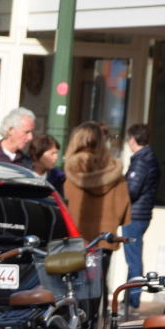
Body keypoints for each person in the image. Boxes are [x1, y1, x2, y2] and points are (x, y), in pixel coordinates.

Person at [63, 121, 131, 310]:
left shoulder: (69, 172)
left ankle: (77, 328)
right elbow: (124, 206)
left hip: (76, 239)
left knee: (74, 287)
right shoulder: (115, 171)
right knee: (98, 286)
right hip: (103, 238)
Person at [123, 123, 161, 308]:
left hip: (135, 215)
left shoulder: (141, 160)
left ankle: (133, 300)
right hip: (141, 214)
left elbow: (132, 190)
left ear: (132, 139)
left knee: (133, 259)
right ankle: (129, 297)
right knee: (133, 257)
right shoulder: (148, 158)